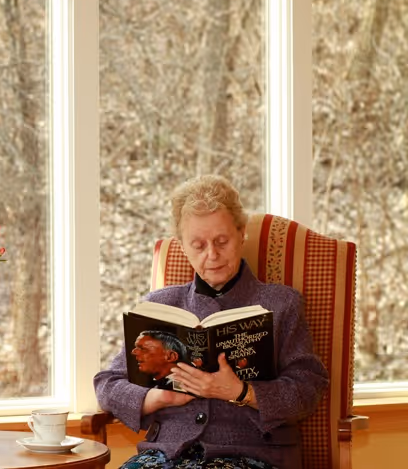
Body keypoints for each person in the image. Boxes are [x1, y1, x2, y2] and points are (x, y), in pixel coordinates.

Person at [94, 175, 328, 469]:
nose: (212, 255)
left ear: (241, 233)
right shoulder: (160, 306)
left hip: (251, 455)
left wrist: (241, 392)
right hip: (165, 456)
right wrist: (159, 397)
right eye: (198, 245)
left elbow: (308, 389)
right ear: (182, 247)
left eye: (222, 241)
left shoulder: (282, 304)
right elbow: (107, 384)